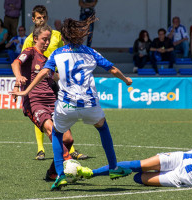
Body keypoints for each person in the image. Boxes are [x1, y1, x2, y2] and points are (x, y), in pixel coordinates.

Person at [10, 17, 133, 191]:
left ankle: (59, 175)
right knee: (103, 128)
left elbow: (45, 72)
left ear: (64, 37)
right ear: (81, 35)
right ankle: (113, 168)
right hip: (89, 105)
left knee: (60, 135)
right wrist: (126, 79)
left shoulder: (56, 54)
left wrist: (24, 89)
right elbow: (112, 69)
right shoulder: (90, 52)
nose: (47, 42)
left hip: (66, 105)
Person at [11, 24, 75, 182]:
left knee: (68, 139)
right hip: (34, 102)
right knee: (52, 131)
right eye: (43, 39)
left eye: (48, 40)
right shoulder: (30, 52)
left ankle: (53, 172)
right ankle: (70, 165)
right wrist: (18, 78)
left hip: (52, 101)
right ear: (35, 39)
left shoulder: (48, 61)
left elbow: (54, 77)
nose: (46, 43)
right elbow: (15, 63)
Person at [22, 5, 86, 161]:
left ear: (47, 18)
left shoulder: (56, 35)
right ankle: (40, 149)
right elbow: (23, 61)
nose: (41, 19)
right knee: (41, 114)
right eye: (38, 17)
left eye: (43, 17)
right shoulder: (30, 39)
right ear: (33, 19)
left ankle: (71, 149)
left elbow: (66, 53)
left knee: (63, 112)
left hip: (55, 79)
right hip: (38, 81)